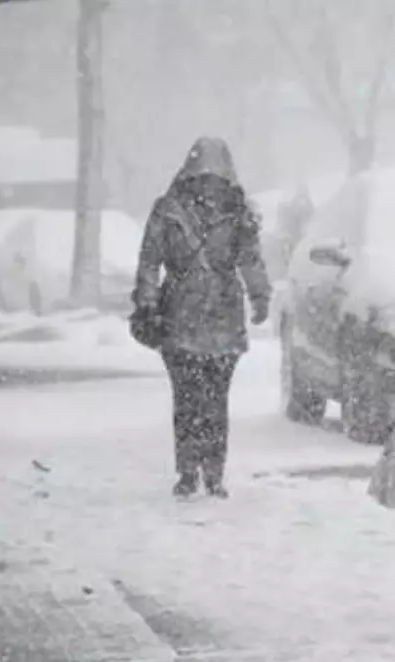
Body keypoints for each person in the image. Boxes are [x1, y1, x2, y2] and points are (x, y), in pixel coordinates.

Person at [133, 137, 271, 499]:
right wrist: (259, 297)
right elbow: (250, 260)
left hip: (184, 315)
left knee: (195, 400)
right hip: (216, 316)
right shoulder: (236, 210)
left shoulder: (171, 209)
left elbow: (150, 261)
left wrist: (147, 304)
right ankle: (206, 472)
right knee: (208, 400)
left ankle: (197, 471)